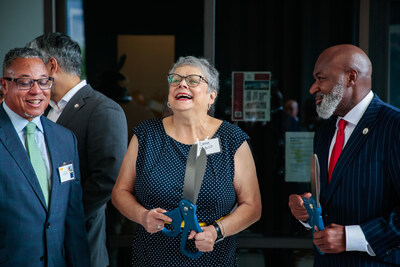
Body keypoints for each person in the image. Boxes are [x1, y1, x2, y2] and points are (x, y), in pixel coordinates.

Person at [112, 56, 261, 266]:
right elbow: (120, 193)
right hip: (152, 257)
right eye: (175, 79)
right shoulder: (146, 135)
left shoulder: (231, 139)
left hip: (212, 258)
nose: (182, 83)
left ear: (212, 96)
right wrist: (143, 216)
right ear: (170, 95)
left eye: (193, 80)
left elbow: (252, 206)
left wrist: (217, 232)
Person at [288, 44, 400, 266]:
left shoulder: (394, 126)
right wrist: (307, 214)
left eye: (321, 78)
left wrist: (352, 238)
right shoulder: (325, 131)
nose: (312, 89)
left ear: (350, 77)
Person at [27, 33, 128, 267]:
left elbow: (108, 177)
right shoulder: (40, 109)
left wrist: (60, 218)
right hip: (40, 248)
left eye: (34, 65)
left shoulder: (102, 109)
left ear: (51, 65)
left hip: (80, 242)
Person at [0, 47, 90, 266]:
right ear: (4, 85)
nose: (36, 90)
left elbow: (73, 217)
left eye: (43, 81)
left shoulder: (65, 139)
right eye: (25, 82)